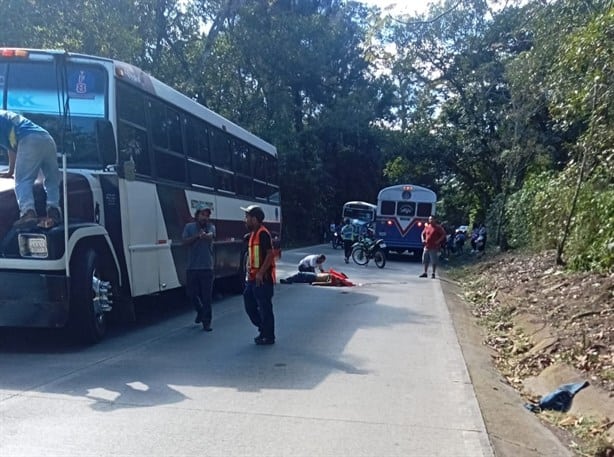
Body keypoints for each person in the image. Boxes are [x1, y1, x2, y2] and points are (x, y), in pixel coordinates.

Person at [0, 110, 61, 228]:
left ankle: (28, 212)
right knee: (52, 179)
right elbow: (12, 147)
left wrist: (13, 172)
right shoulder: (7, 117)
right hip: (47, 139)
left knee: (23, 180)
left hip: (28, 139)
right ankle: (54, 210)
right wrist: (11, 171)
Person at [241, 204, 276, 345]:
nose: (245, 220)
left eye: (247, 217)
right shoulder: (253, 234)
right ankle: (263, 328)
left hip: (263, 279)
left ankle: (268, 336)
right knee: (249, 302)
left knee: (265, 307)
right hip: (253, 278)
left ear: (254, 219)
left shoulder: (263, 233)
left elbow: (270, 255)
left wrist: (261, 273)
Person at [182, 204, 216, 331]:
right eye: (202, 214)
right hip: (192, 267)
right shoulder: (189, 227)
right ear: (197, 216)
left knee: (207, 296)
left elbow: (211, 236)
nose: (205, 218)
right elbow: (184, 242)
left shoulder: (211, 227)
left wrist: (205, 236)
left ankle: (207, 322)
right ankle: (200, 311)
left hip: (207, 267)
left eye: (207, 215)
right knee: (191, 293)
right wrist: (197, 236)